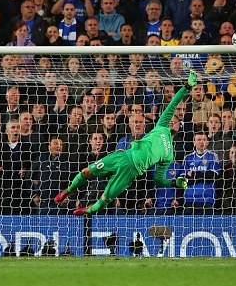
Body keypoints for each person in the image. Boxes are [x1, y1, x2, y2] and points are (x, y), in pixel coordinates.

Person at [54, 70, 198, 215]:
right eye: (171, 120)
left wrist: (174, 182)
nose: (172, 122)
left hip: (131, 172)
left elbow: (158, 179)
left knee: (104, 199)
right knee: (86, 172)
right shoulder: (161, 126)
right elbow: (173, 104)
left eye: (176, 122)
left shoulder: (169, 156)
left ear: (180, 127)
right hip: (122, 156)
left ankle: (87, 210)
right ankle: (68, 191)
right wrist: (187, 86)